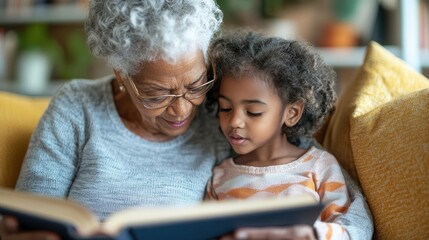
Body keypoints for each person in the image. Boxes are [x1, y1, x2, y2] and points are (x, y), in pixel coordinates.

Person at [0, 1, 372, 240]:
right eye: (157, 94)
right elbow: (33, 213)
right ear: (120, 74)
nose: (183, 109)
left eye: (196, 84)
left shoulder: (225, 113)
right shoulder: (76, 107)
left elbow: (329, 190)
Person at [205, 31, 371, 239]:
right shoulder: (220, 176)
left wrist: (307, 233)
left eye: (253, 112)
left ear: (291, 113)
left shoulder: (319, 166)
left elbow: (346, 229)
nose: (235, 122)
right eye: (225, 108)